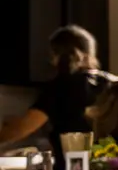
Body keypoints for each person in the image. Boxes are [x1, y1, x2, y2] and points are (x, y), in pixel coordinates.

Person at [32, 25, 110, 153]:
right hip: (107, 164)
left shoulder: (60, 86)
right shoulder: (111, 83)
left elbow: (24, 126)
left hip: (71, 168)